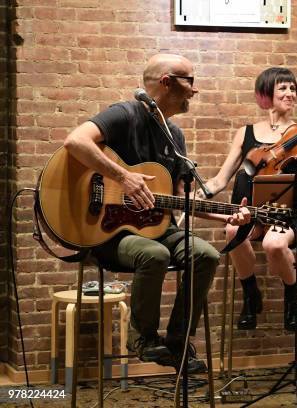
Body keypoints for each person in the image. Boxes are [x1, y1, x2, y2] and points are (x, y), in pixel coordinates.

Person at [63, 53, 251, 373]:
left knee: (205, 254)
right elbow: (75, 141)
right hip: (108, 231)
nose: (194, 90)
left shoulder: (174, 137)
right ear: (166, 82)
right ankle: (142, 338)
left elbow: (178, 200)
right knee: (154, 254)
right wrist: (123, 177)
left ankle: (177, 342)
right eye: (189, 81)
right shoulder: (125, 114)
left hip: (155, 227)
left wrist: (226, 216)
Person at [203, 67, 297, 331]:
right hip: (252, 212)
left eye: (293, 88)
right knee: (232, 230)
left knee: (273, 244)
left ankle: (292, 297)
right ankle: (251, 294)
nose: (290, 93)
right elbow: (219, 180)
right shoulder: (245, 133)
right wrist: (196, 195)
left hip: (286, 215)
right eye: (283, 88)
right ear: (266, 93)